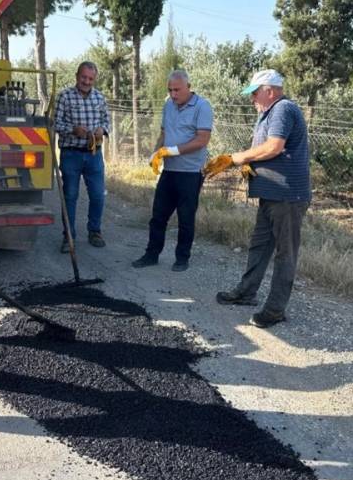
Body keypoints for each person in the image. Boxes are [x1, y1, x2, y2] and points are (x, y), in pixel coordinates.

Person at [204, 69, 311, 328]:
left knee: (285, 254)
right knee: (260, 246)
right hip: (271, 194)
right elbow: (265, 149)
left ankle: (275, 310)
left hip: (287, 196)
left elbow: (274, 146)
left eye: (255, 93)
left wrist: (237, 158)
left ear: (270, 90)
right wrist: (249, 164)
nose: (252, 99)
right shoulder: (269, 113)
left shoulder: (282, 109)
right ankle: (246, 292)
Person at [132, 70, 212, 272]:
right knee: (158, 216)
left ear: (188, 87)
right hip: (169, 171)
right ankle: (151, 254)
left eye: (177, 90)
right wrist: (156, 152)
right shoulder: (169, 105)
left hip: (191, 172)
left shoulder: (202, 107)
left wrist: (174, 150)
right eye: (170, 90)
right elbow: (164, 132)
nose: (173, 94)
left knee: (186, 218)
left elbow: (202, 139)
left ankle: (182, 258)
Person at [54, 61, 110, 252]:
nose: (86, 81)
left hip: (94, 155)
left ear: (95, 79)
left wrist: (103, 129)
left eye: (90, 78)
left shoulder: (100, 98)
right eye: (83, 77)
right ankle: (68, 237)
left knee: (97, 195)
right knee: (70, 196)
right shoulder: (64, 97)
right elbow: (56, 124)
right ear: (77, 76)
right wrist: (73, 130)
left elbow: (106, 121)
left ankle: (95, 232)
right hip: (71, 154)